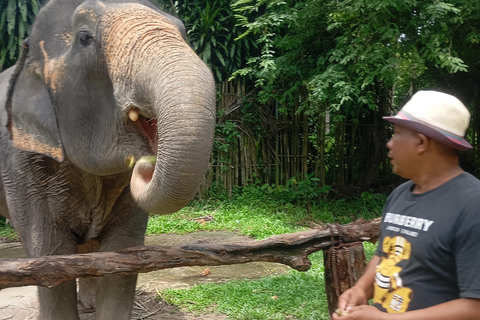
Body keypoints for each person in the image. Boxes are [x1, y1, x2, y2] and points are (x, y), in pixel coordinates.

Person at [332, 91, 480, 320]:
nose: (389, 144)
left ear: (421, 142)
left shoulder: (472, 205)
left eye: (397, 134)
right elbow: (385, 255)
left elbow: (474, 308)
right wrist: (361, 289)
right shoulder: (400, 194)